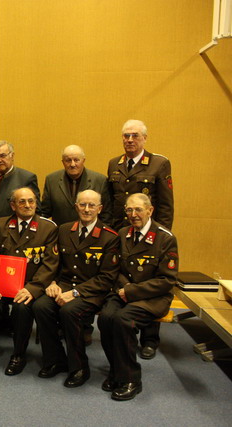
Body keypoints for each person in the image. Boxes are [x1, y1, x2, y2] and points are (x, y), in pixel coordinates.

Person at [33, 190, 119, 387]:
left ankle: (79, 367)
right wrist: (52, 283)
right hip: (62, 286)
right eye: (82, 205)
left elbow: (107, 278)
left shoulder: (109, 237)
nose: (86, 209)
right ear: (76, 207)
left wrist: (75, 293)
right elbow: (54, 263)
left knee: (69, 311)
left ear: (100, 209)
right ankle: (56, 360)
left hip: (91, 292)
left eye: (91, 205)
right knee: (41, 306)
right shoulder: (64, 229)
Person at [98, 193, 178, 401]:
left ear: (150, 211)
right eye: (129, 210)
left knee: (123, 320)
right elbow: (115, 268)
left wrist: (132, 291)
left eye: (138, 210)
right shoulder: (122, 233)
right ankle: (116, 370)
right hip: (123, 291)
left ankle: (131, 379)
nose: (133, 214)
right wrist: (125, 288)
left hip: (153, 297)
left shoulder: (165, 238)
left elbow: (167, 280)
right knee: (105, 318)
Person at [107, 119, 174, 358]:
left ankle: (149, 339)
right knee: (125, 279)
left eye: (135, 135)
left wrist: (159, 237)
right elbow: (112, 203)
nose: (129, 140)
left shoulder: (159, 163)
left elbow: (165, 205)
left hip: (149, 234)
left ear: (145, 138)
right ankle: (125, 333)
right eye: (126, 136)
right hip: (122, 234)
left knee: (148, 278)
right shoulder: (114, 164)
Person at [0, 187, 58, 375]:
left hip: (28, 287)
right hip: (1, 285)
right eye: (22, 201)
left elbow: (50, 264)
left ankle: (18, 355)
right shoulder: (1, 224)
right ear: (13, 205)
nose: (27, 205)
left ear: (36, 203)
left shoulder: (48, 228)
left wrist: (32, 289)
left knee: (22, 308)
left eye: (31, 201)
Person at [41, 145, 111, 226]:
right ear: (63, 162)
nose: (72, 164)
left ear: (83, 160)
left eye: (76, 160)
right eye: (68, 160)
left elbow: (106, 215)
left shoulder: (100, 181)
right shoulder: (51, 180)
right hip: (60, 232)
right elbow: (44, 212)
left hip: (90, 232)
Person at [0, 140, 40, 218]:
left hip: (13, 225)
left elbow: (36, 210)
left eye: (2, 156)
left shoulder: (26, 178)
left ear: (12, 156)